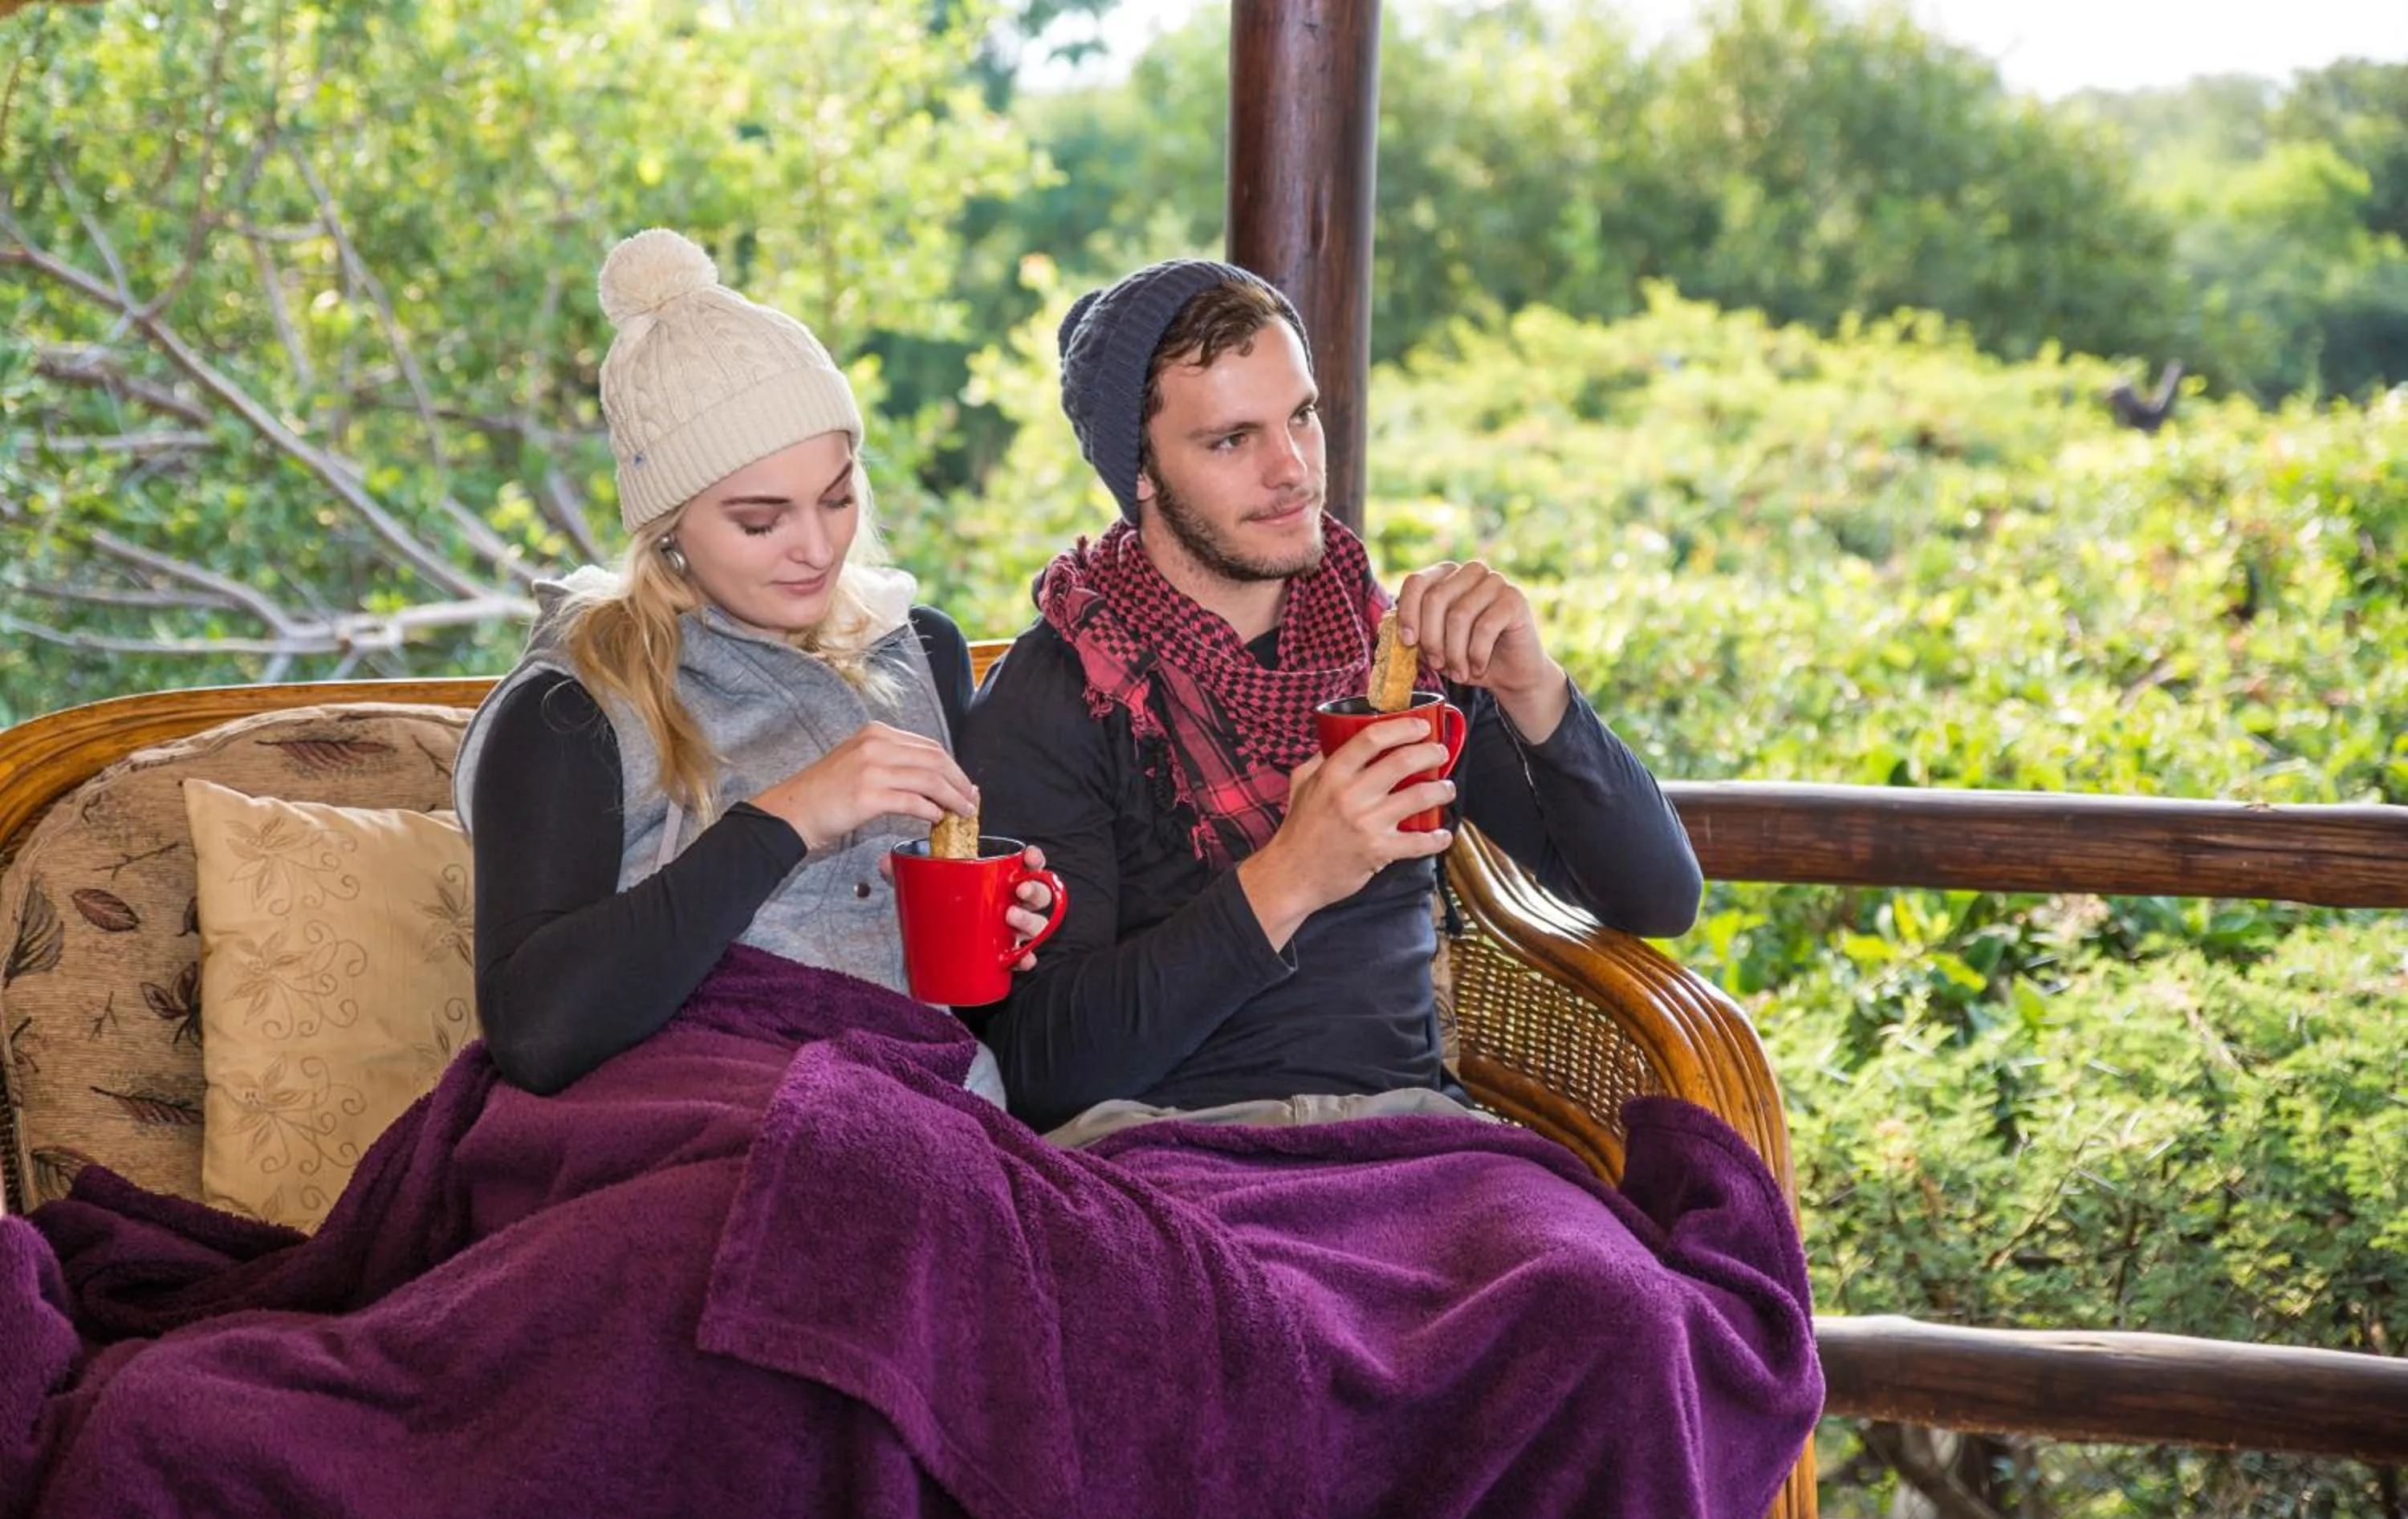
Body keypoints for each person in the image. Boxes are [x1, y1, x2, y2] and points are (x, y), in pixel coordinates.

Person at [958, 258, 1702, 1137]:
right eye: (1233, 439)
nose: (1293, 470)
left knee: (1634, 1275)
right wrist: (1290, 877)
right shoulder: (1065, 691)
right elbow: (1040, 1068)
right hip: (1166, 1165)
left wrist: (1536, 690)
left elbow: (1658, 899)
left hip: (1420, 1146)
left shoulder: (1400, 650)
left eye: (1302, 417)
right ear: (1141, 472)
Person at [453, 228, 1046, 1099]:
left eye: (838, 498)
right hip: (699, 1122)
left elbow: (966, 1010)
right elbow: (536, 1035)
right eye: (762, 521)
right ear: (669, 528)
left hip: (930, 1107)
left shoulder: (919, 650)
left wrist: (998, 928)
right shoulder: (572, 708)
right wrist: (789, 817)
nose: (816, 547)